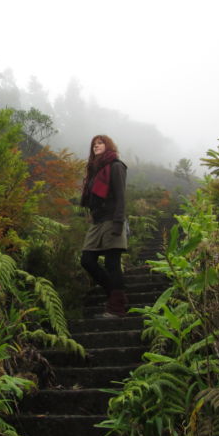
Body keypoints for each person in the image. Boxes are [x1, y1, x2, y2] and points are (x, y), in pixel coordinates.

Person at [79, 135, 129, 318]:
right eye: (94, 144)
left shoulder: (116, 166)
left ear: (108, 146)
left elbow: (121, 198)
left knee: (112, 263)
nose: (96, 146)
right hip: (97, 221)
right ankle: (116, 295)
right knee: (87, 260)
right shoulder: (95, 171)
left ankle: (116, 308)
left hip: (112, 218)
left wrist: (118, 223)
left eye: (100, 143)